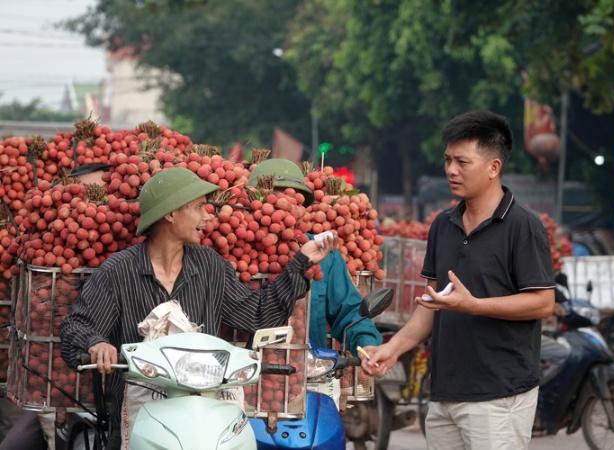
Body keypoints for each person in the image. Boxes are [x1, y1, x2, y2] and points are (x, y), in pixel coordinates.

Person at [60, 167, 336, 449]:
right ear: (170, 214)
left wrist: (300, 262)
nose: (208, 216)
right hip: (138, 417)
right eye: (199, 207)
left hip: (205, 414)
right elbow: (76, 326)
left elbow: (258, 315)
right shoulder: (118, 272)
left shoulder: (209, 266)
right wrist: (96, 343)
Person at [362, 111, 555, 449]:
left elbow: (542, 302)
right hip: (444, 394)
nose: (451, 170)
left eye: (463, 162)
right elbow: (431, 306)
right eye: (448, 160)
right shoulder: (442, 225)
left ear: (494, 167)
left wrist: (474, 306)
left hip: (499, 395)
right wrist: (392, 348)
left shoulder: (523, 226)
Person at [247, 159, 381, 356]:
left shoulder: (324, 254)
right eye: (273, 198)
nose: (282, 208)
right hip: (240, 374)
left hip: (306, 373)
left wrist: (366, 345)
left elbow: (349, 312)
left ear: (302, 208)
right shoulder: (233, 256)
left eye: (292, 200)